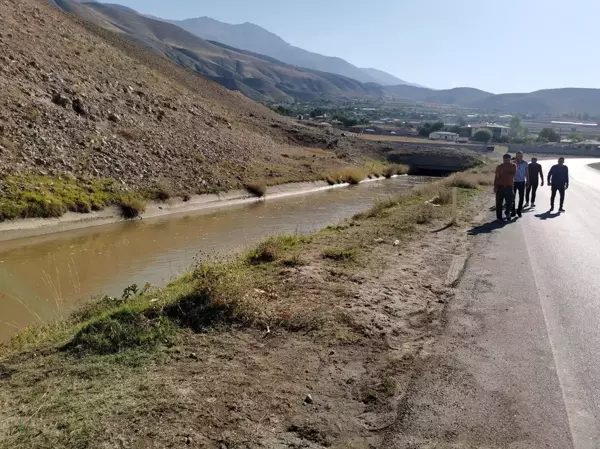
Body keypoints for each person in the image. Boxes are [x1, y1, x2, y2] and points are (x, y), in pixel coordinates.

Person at [494, 153, 516, 221]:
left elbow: (512, 174)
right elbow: (496, 177)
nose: (506, 161)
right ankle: (499, 217)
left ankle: (507, 213)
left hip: (509, 187)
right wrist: (495, 186)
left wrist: (504, 171)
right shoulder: (499, 167)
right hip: (500, 187)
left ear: (510, 159)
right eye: (505, 160)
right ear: (503, 159)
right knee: (498, 203)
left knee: (510, 202)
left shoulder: (513, 166)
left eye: (507, 160)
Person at [512, 151, 528, 218]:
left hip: (522, 182)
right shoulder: (512, 163)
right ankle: (513, 211)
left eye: (521, 156)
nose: (520, 157)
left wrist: (528, 180)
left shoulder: (525, 163)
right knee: (512, 197)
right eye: (518, 156)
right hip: (513, 182)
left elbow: (527, 172)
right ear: (516, 156)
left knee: (521, 197)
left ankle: (519, 210)